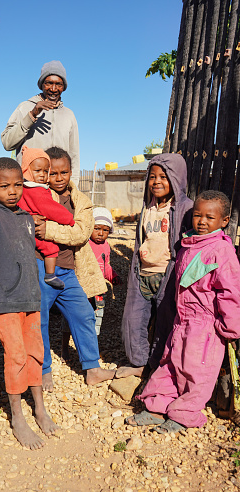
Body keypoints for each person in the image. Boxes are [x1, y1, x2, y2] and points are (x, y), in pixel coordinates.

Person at [126, 190, 240, 433]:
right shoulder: (189, 245)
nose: (202, 221)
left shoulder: (222, 251)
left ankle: (184, 413)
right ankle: (157, 405)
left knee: (196, 370)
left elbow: (231, 292)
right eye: (197, 215)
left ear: (224, 221)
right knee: (170, 363)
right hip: (182, 321)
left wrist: (230, 328)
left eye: (210, 218)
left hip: (206, 326)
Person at [0, 157, 58, 450]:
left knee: (35, 351)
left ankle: (40, 409)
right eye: (4, 186)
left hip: (30, 297)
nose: (12, 191)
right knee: (16, 356)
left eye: (18, 185)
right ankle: (17, 418)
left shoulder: (25, 217)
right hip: (5, 301)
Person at [33, 146, 116, 391]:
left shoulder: (81, 201)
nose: (58, 178)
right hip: (41, 268)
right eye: (52, 173)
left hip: (69, 271)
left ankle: (92, 368)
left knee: (84, 315)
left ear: (71, 172)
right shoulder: (37, 196)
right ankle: (43, 370)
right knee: (40, 320)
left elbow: (81, 234)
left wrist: (48, 230)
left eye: (64, 173)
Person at [116, 153, 193, 379]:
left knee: (165, 324)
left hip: (167, 276)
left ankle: (159, 367)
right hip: (142, 273)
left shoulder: (185, 209)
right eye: (152, 176)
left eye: (164, 176)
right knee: (132, 321)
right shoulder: (147, 208)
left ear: (177, 178)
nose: (157, 181)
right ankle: (139, 363)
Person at [1, 60, 80, 185]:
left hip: (58, 186)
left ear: (64, 87)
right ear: (41, 84)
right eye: (49, 83)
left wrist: (73, 186)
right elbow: (7, 143)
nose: (53, 89)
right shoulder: (25, 107)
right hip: (30, 186)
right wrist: (32, 114)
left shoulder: (69, 115)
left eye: (58, 84)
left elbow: (74, 155)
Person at [61, 207, 122, 360]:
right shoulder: (83, 243)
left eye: (105, 230)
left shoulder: (106, 246)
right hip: (79, 290)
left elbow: (105, 265)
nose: (101, 233)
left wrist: (113, 276)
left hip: (97, 292)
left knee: (95, 320)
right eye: (97, 228)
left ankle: (91, 351)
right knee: (70, 318)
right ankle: (64, 348)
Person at [18, 145, 75, 289]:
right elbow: (51, 210)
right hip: (36, 229)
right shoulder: (36, 190)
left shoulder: (24, 187)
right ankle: (50, 275)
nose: (42, 175)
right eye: (37, 171)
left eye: (45, 171)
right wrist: (69, 219)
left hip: (25, 227)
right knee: (50, 247)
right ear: (26, 170)